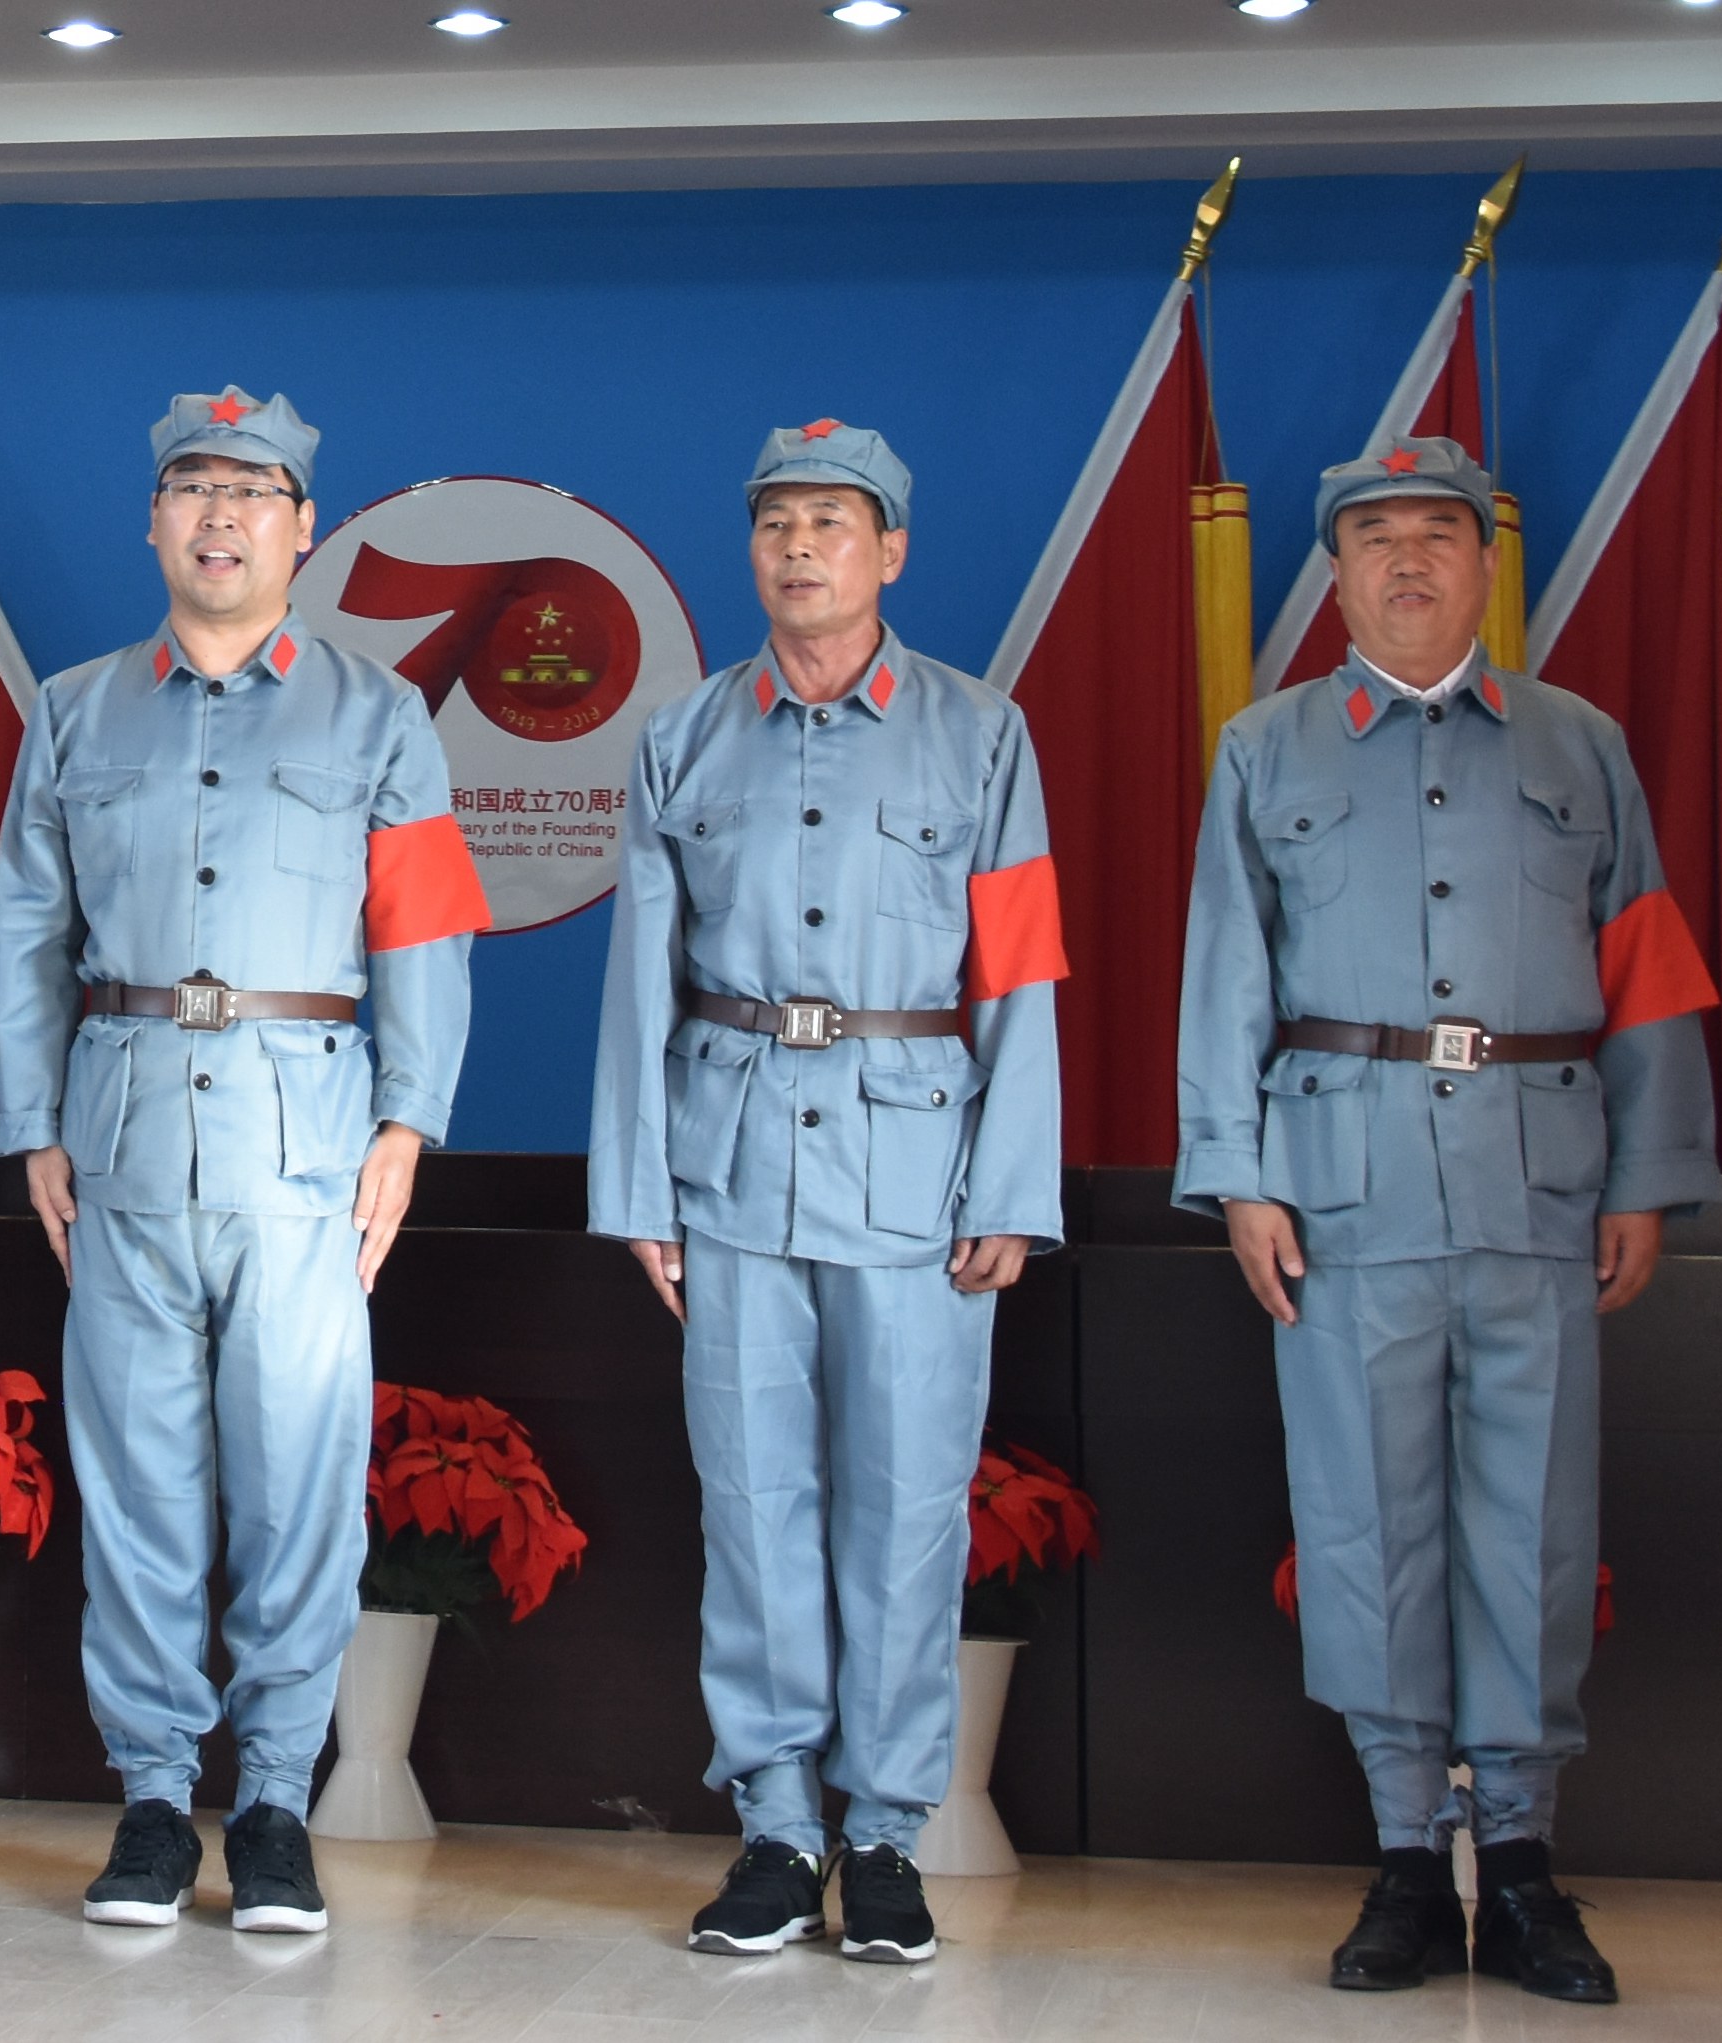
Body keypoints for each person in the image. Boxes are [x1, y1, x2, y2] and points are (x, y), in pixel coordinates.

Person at [1171, 436, 1722, 2004]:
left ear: (1485, 564)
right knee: (1363, 1517)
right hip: (1338, 1188)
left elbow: (1647, 965)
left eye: (1436, 533)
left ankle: (1526, 1863)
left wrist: (1646, 1173)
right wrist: (1236, 1171)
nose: (1406, 560)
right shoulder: (1265, 749)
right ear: (1336, 573)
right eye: (1375, 537)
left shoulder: (1577, 743)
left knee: (1534, 1520)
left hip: (1536, 1181)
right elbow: (1225, 973)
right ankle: (1406, 1855)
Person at [0, 387, 487, 1936]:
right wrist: (31, 1123)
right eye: (192, 487)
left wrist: (407, 1124)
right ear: (152, 519)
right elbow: (27, 932)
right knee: (137, 1486)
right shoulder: (74, 711)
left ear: (301, 528)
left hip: (305, 1148)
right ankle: (152, 1802)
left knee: (297, 1489)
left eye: (250, 491)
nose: (219, 515)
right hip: (122, 1138)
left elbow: (426, 934)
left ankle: (272, 1802)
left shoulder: (378, 715)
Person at [583, 422, 1064, 1966]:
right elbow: (638, 975)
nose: (800, 549)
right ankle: (778, 1827)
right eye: (776, 522)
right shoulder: (682, 737)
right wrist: (637, 1188)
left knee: (909, 1510)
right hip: (727, 1167)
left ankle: (887, 1833)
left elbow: (1022, 974)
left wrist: (1014, 1182)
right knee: (751, 1507)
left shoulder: (979, 735)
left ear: (890, 551)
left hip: (916, 1175)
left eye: (831, 523)